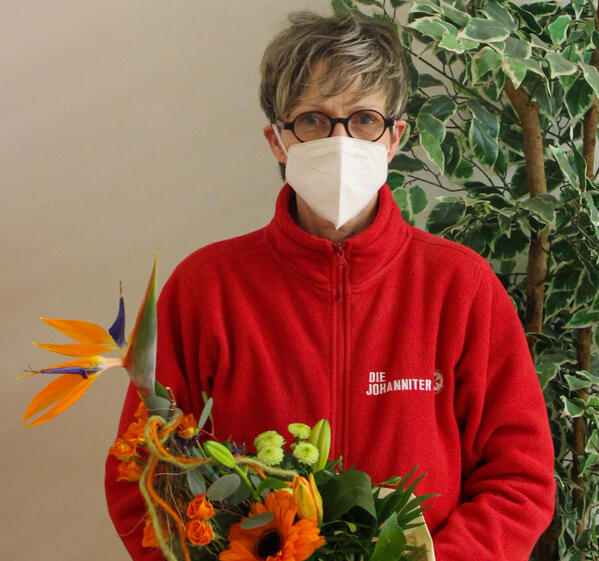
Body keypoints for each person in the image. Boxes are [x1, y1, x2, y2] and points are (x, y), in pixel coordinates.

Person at [105, 12, 555, 561]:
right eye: (314, 119)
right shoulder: (204, 289)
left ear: (394, 138)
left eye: (364, 118)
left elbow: (520, 478)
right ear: (277, 140)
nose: (340, 140)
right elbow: (141, 473)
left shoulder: (461, 288)